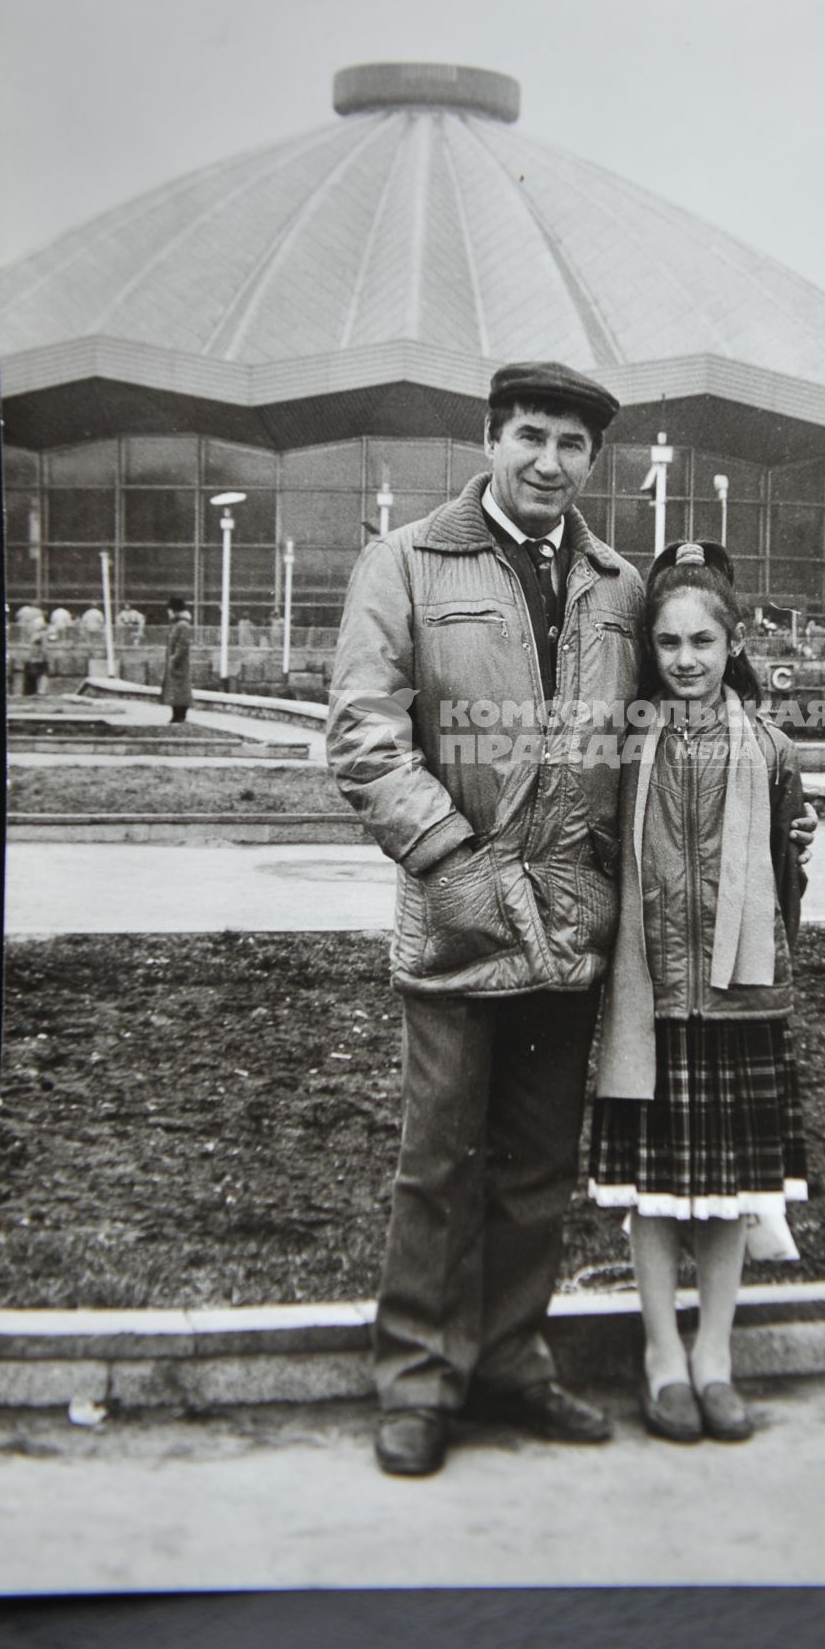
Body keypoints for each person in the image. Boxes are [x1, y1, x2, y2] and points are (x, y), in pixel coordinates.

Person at [327, 360, 645, 1480]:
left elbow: (664, 725)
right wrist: (446, 860)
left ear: (592, 460)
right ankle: (416, 1381)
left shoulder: (619, 583)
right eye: (528, 436)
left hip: (571, 927)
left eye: (570, 443)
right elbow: (365, 734)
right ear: (489, 438)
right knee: (437, 1163)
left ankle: (510, 1359)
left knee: (535, 1164)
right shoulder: (405, 561)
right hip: (459, 917)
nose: (548, 461)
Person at [589, 542, 810, 1444]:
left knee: (730, 1195)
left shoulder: (770, 747)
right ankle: (660, 1357)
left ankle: (714, 1357)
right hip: (647, 998)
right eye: (669, 642)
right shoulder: (624, 745)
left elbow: (788, 884)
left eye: (702, 642)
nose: (685, 659)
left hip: (736, 1000)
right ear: (651, 646)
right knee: (654, 1192)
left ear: (733, 645)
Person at [161, 597, 193, 723]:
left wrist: (174, 659)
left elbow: (183, 645)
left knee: (180, 690)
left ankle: (180, 715)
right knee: (175, 690)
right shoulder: (176, 624)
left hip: (179, 664)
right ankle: (176, 715)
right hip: (175, 663)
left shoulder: (182, 625)